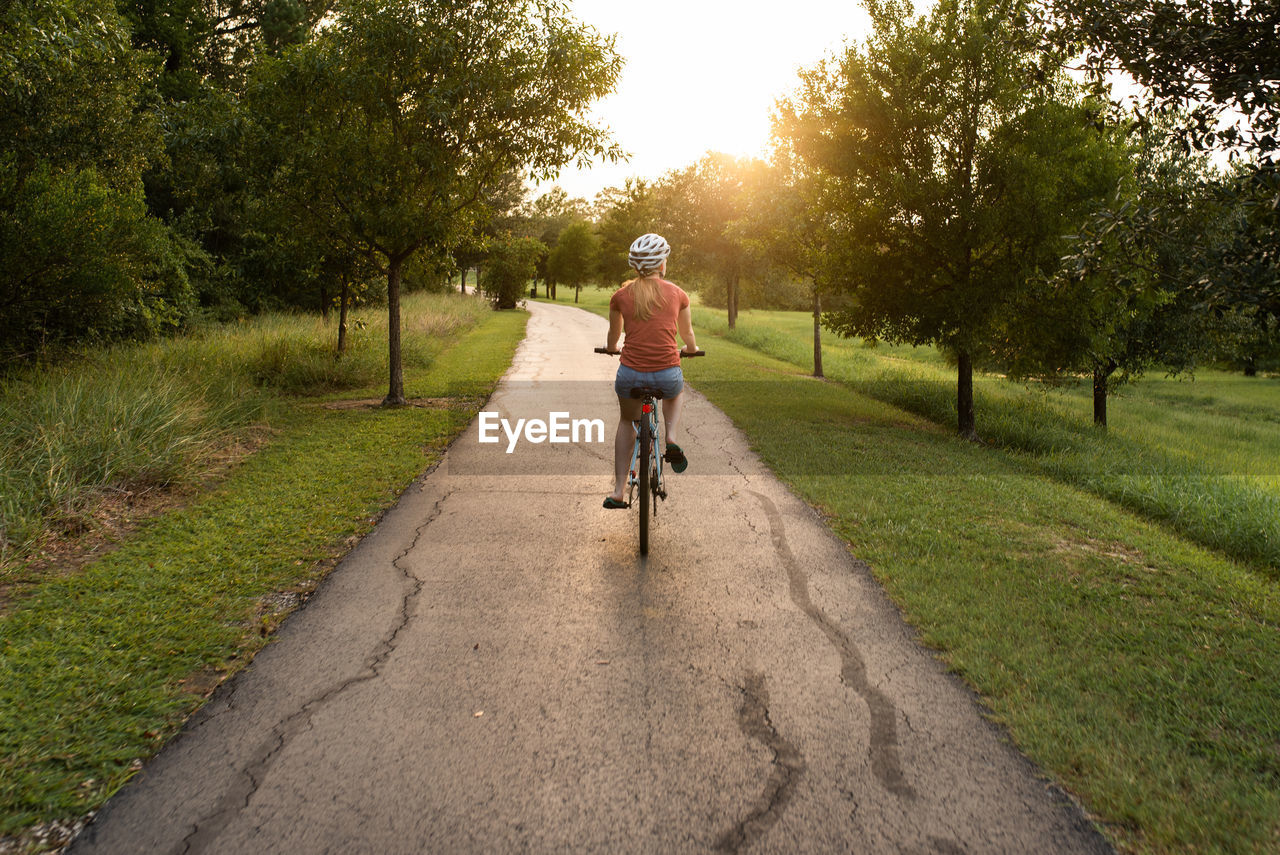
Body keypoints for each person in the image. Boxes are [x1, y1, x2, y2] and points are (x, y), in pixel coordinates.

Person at [602, 233, 699, 509]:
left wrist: (611, 348)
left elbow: (613, 335)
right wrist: (690, 349)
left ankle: (619, 491)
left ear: (635, 266)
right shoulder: (678, 294)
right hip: (667, 373)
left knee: (626, 422)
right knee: (675, 392)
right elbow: (687, 333)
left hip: (630, 374)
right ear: (662, 264)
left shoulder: (620, 297)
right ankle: (670, 437)